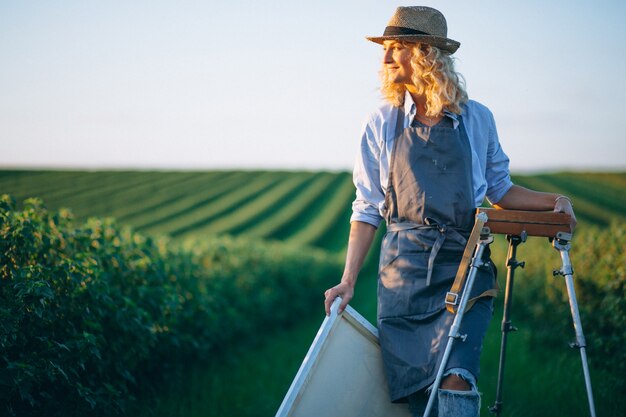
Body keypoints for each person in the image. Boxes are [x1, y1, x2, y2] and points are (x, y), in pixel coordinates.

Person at [323, 6, 576, 417]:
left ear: (423, 52)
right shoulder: (382, 123)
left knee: (457, 376)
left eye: (393, 48)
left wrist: (553, 201)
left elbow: (500, 190)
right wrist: (348, 281)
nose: (383, 59)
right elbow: (367, 208)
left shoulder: (477, 119)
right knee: (423, 396)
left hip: (465, 265)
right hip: (403, 276)